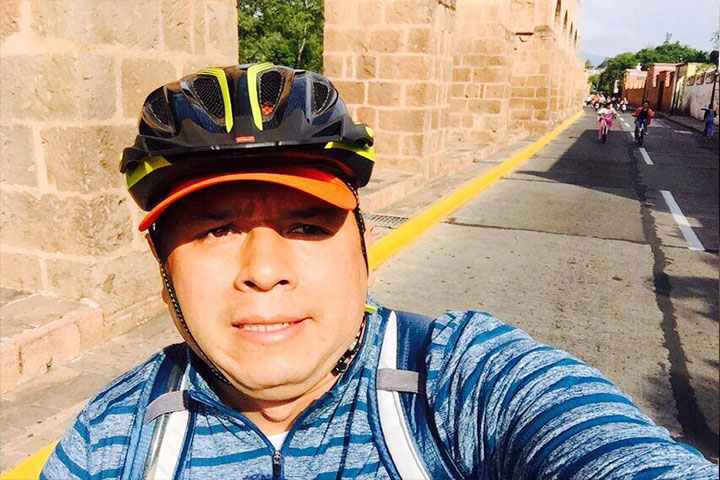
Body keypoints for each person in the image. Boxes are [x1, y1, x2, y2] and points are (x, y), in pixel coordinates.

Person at [41, 64, 718, 479]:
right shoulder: (111, 440)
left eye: (307, 226)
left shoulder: (458, 379)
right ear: (164, 271)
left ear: (363, 250)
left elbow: (603, 446)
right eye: (216, 231)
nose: (265, 271)